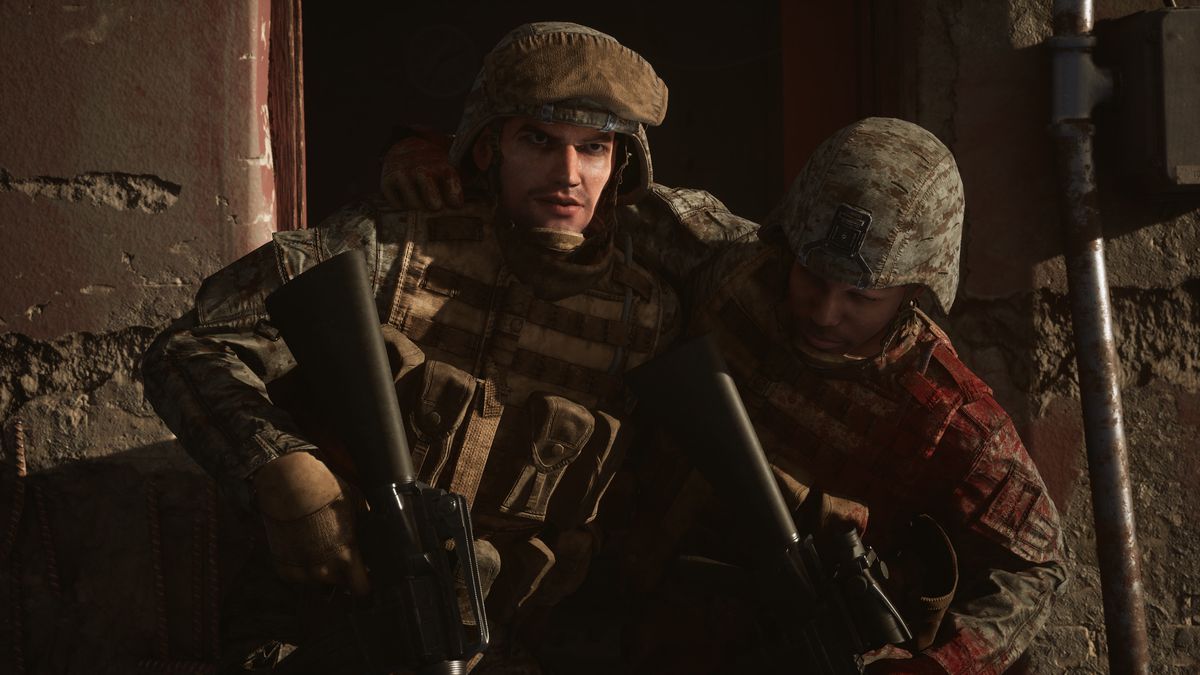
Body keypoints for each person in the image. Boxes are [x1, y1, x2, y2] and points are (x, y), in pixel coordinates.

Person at [141, 21, 755, 674]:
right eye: (539, 141)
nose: (567, 173)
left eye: (594, 147)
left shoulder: (646, 311)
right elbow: (187, 349)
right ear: (490, 147)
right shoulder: (388, 247)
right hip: (336, 624)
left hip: (512, 641)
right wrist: (279, 467)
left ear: (620, 163)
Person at [622, 117, 1068, 674]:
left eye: (861, 296)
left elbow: (1037, 566)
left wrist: (940, 667)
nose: (825, 313)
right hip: (624, 600)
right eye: (811, 277)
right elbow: (614, 201)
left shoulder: (943, 409)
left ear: (914, 291)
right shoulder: (735, 272)